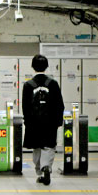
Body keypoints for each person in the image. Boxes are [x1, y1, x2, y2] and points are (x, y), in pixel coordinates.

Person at [22, 54, 65, 186]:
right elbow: (60, 104)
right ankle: (46, 167)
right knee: (48, 146)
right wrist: (58, 121)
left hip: (34, 123)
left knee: (37, 147)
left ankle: (39, 171)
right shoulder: (53, 83)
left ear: (33, 67)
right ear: (46, 67)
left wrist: (28, 122)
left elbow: (25, 106)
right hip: (50, 122)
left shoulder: (28, 85)